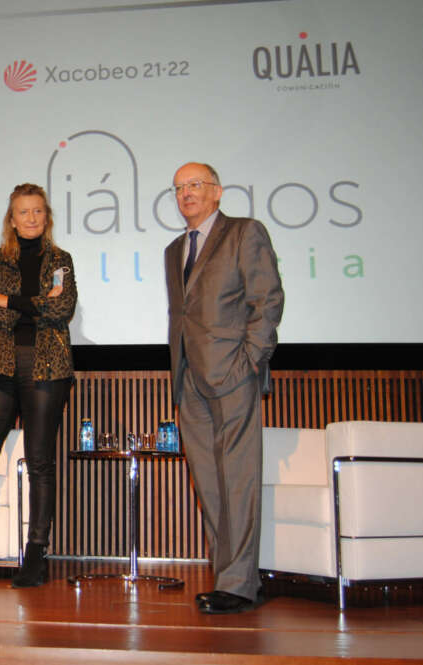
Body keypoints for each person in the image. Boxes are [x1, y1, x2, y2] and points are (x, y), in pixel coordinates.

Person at [163, 162, 284, 614]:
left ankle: (237, 585)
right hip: (189, 378)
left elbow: (268, 299)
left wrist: (250, 359)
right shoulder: (175, 249)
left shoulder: (244, 232)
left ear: (216, 191)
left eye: (194, 185)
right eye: (178, 188)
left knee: (238, 479)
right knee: (210, 484)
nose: (186, 194)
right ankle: (236, 578)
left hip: (233, 372)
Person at [0, 183, 76, 588]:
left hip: (46, 367)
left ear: (47, 216)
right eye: (23, 212)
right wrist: (35, 303)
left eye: (38, 211)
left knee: (40, 463)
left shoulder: (61, 259)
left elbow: (63, 309)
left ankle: (36, 555)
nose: (31, 218)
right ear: (12, 218)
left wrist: (13, 301)